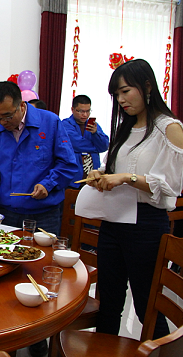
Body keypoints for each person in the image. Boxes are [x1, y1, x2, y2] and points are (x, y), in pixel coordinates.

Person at [86, 59, 183, 338]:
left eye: (126, 91)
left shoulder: (169, 128)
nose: (121, 99)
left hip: (147, 226)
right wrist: (103, 173)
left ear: (147, 86)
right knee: (109, 301)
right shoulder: (125, 128)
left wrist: (126, 178)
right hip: (114, 220)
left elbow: (171, 186)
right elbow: (117, 169)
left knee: (146, 305)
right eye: (117, 94)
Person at [0, 81, 78, 233]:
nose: (3, 122)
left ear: (22, 106)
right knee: (4, 254)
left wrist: (48, 184)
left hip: (44, 214)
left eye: (8, 115)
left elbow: (68, 164)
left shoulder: (50, 123)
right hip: (7, 213)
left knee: (43, 255)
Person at [62, 95, 109, 188]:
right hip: (73, 178)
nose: (85, 115)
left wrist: (95, 133)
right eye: (81, 111)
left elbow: (105, 146)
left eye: (88, 111)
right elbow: (77, 144)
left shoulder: (93, 125)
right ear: (73, 109)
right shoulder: (65, 124)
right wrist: (96, 147)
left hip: (93, 178)